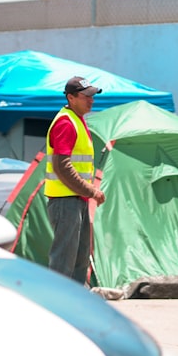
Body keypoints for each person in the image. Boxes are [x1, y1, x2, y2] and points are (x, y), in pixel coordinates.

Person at [44, 76, 106, 284]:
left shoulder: (76, 121)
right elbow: (62, 166)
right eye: (86, 96)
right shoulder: (65, 122)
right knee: (64, 261)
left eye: (92, 96)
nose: (91, 100)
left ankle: (78, 304)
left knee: (79, 260)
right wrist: (91, 191)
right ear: (71, 98)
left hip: (75, 200)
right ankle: (58, 307)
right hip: (65, 200)